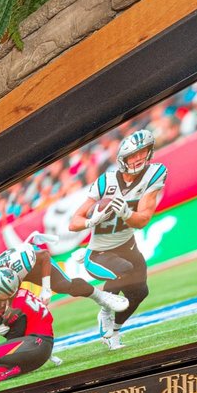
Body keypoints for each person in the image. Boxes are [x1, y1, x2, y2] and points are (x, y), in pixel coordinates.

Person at [0, 248, 128, 393]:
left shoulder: (22, 265)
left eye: (11, 293)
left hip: (31, 266)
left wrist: (47, 288)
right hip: (38, 341)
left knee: (64, 285)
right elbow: (25, 325)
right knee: (0, 358)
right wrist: (3, 328)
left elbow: (44, 256)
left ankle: (102, 297)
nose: (10, 298)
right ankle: (22, 361)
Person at [70, 128, 168, 350]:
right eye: (133, 155)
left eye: (142, 152)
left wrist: (125, 213)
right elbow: (73, 222)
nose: (138, 158)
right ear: (123, 159)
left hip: (127, 245)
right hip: (99, 253)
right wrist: (91, 221)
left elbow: (142, 220)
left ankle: (114, 331)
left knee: (140, 292)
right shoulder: (106, 181)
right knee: (122, 269)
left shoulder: (155, 173)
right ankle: (105, 310)